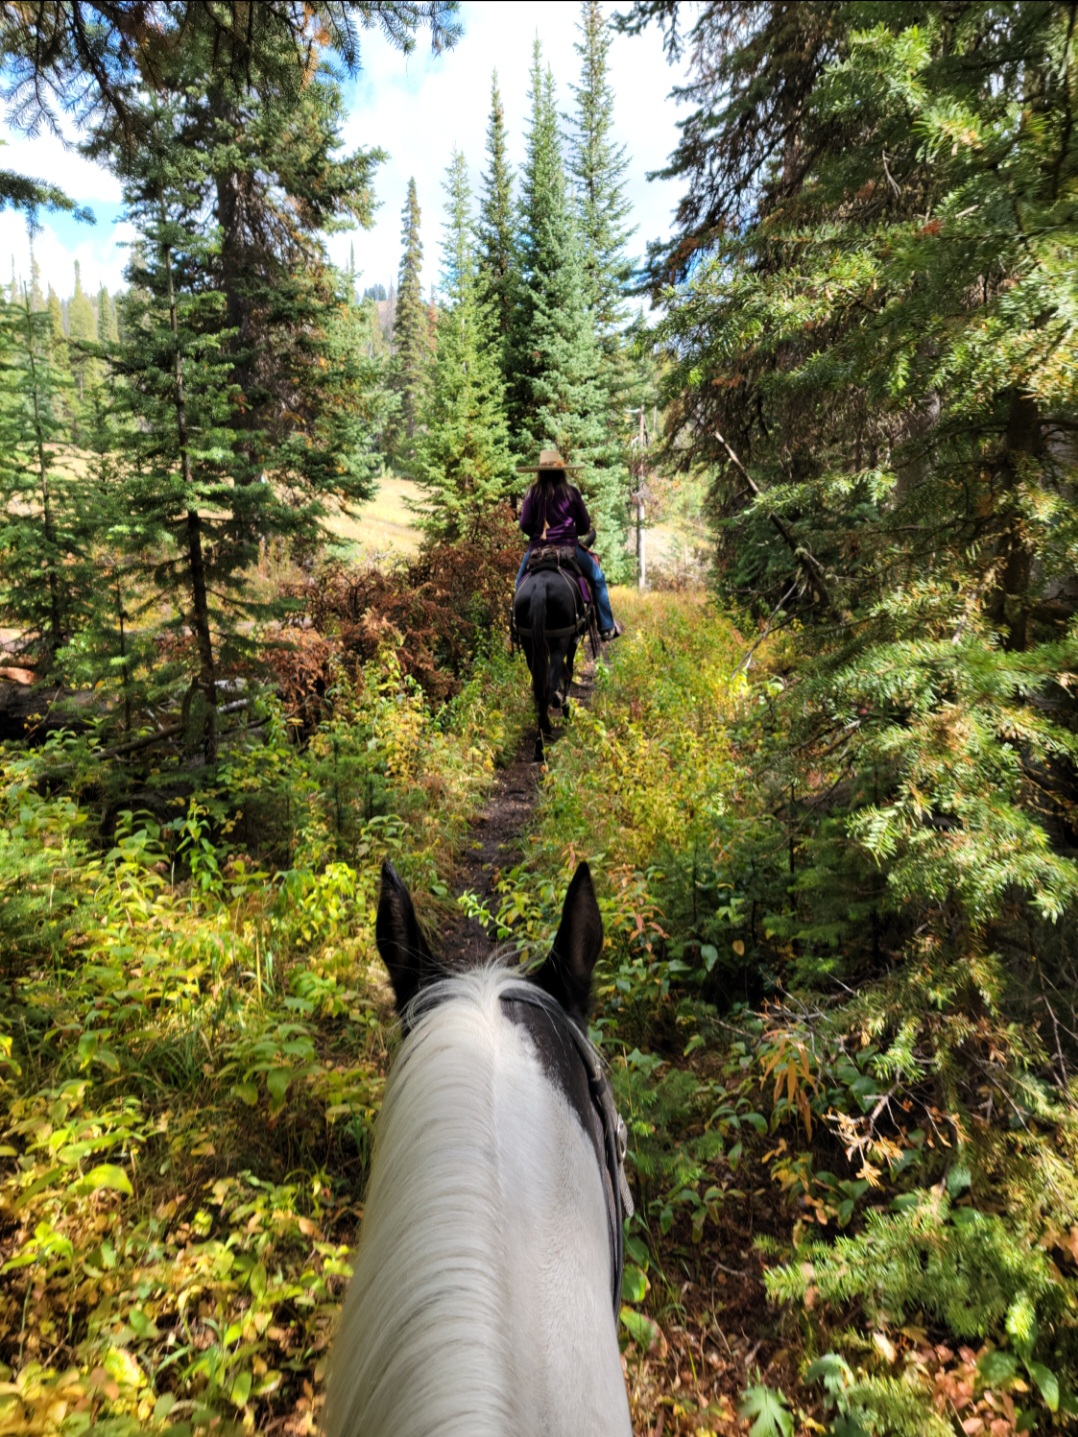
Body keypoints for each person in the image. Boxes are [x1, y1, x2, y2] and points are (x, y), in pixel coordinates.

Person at [515, 448, 622, 641]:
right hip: (568, 549)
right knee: (598, 579)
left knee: (519, 582)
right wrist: (569, 533)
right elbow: (585, 526)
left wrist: (537, 536)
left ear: (539, 471)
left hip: (538, 550)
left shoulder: (532, 493)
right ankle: (606, 626)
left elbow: (524, 524)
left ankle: (516, 627)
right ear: (561, 471)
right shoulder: (571, 493)